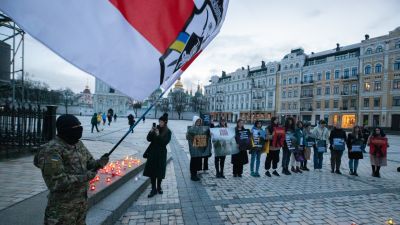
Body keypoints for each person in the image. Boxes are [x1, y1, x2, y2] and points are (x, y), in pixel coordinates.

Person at [34, 114, 109, 225]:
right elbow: (57, 182)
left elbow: (90, 163)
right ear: (65, 130)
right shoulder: (51, 150)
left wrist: (99, 162)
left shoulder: (78, 144)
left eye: (80, 126)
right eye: (76, 127)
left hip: (80, 207)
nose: (79, 129)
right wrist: (87, 176)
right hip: (61, 211)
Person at [143, 113, 171, 197]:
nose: (160, 123)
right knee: (152, 171)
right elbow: (148, 139)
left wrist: (158, 135)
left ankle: (159, 187)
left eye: (161, 122)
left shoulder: (168, 131)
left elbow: (164, 142)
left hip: (161, 153)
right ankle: (153, 189)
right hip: (152, 152)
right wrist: (151, 131)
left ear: (165, 122)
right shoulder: (156, 128)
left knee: (159, 171)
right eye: (159, 121)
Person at [186, 116, 206, 181]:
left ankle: (195, 174)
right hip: (194, 148)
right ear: (195, 121)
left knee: (197, 162)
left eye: (199, 121)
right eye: (197, 121)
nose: (198, 122)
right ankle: (193, 175)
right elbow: (188, 137)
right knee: (193, 162)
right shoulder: (191, 128)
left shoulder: (201, 128)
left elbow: (204, 135)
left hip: (199, 148)